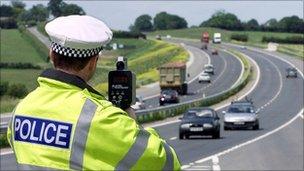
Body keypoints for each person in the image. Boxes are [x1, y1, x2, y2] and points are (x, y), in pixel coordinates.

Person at [7, 15, 181, 170]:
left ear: (52, 54)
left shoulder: (21, 109)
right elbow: (165, 163)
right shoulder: (102, 118)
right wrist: (132, 125)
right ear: (92, 63)